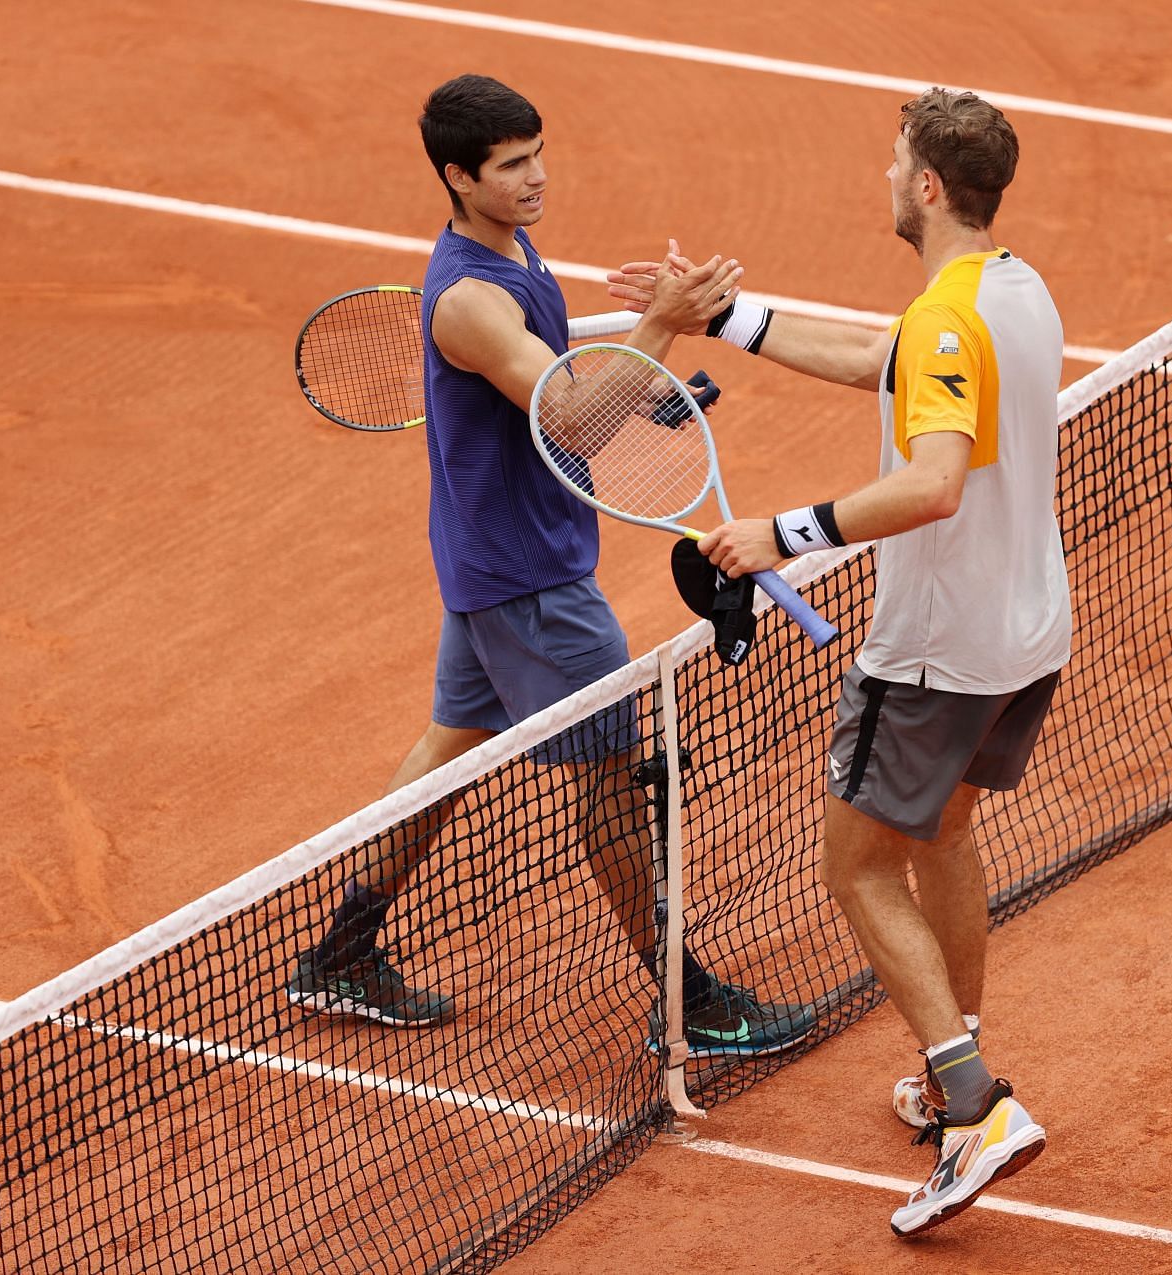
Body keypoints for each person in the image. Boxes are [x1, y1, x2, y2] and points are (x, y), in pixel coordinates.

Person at [610, 87, 1071, 1235]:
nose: (881, 177)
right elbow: (888, 357)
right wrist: (731, 318)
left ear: (926, 187)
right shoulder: (1008, 291)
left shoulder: (953, 319)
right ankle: (948, 1072)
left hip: (934, 650)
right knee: (948, 837)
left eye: (893, 162)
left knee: (858, 869)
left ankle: (973, 1107)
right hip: (1026, 639)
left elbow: (933, 481)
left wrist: (783, 534)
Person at [286, 74, 815, 1062]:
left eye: (538, 156)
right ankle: (685, 1000)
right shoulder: (469, 301)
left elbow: (569, 400)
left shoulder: (510, 251)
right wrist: (659, 328)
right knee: (618, 780)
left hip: (496, 564)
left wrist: (648, 390)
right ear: (458, 177)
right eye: (511, 167)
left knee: (449, 753)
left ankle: (340, 954)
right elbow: (565, 415)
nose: (537, 179)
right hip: (531, 582)